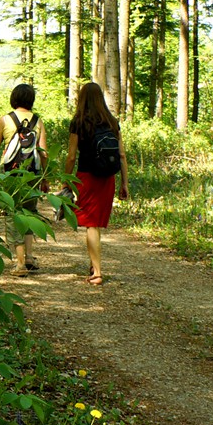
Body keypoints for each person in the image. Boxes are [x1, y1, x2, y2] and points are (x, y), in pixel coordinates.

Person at [65, 81, 131, 285]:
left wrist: (66, 181)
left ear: (82, 99)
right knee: (96, 224)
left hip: (87, 177)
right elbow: (121, 155)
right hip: (107, 178)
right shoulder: (112, 121)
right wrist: (124, 183)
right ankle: (94, 264)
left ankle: (97, 272)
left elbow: (71, 156)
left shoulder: (79, 121)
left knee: (91, 225)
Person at [0, 82, 47, 275]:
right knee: (29, 213)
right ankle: (29, 257)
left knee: (12, 214)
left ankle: (19, 264)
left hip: (11, 174)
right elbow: (43, 153)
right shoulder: (38, 121)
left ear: (14, 98)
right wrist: (44, 177)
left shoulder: (5, 120)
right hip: (32, 174)